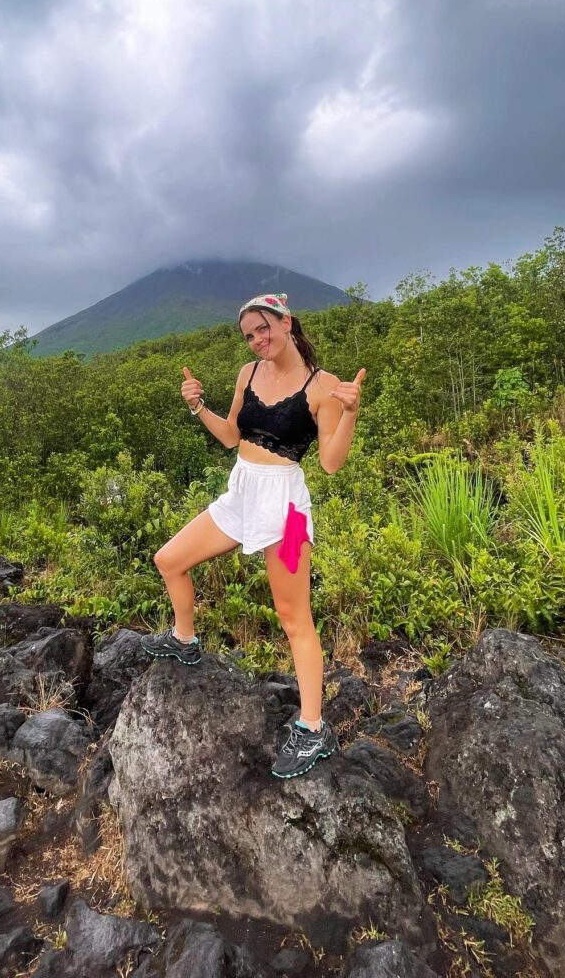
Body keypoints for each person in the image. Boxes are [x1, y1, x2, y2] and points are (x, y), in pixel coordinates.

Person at [141, 292, 365, 779]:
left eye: (264, 328)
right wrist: (198, 405)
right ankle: (185, 638)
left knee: (293, 615)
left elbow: (330, 463)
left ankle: (312, 726)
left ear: (287, 322)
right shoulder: (248, 373)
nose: (258, 340)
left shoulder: (322, 386)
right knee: (169, 559)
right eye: (249, 335)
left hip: (286, 510)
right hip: (241, 493)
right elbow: (229, 436)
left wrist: (349, 412)